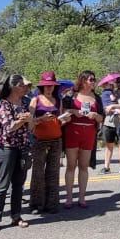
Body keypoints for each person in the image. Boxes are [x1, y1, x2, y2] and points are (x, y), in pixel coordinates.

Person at [0, 74, 32, 232]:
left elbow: (30, 125)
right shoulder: (4, 104)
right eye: (21, 85)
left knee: (18, 185)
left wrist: (31, 120)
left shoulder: (25, 102)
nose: (25, 88)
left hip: (22, 146)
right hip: (5, 147)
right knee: (3, 184)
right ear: (13, 87)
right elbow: (9, 127)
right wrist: (22, 120)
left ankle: (16, 215)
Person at [29, 71, 68, 214]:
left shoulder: (58, 100)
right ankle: (36, 204)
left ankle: (52, 204)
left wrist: (64, 120)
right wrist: (40, 120)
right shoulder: (36, 100)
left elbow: (60, 120)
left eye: (51, 85)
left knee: (53, 172)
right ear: (41, 87)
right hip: (39, 140)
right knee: (38, 173)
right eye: (46, 86)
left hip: (56, 139)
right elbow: (29, 123)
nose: (49, 88)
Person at [62, 71, 101, 208]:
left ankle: (82, 197)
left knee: (84, 166)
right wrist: (74, 112)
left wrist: (96, 115)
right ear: (83, 80)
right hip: (73, 131)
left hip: (89, 133)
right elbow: (62, 112)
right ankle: (68, 198)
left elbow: (102, 118)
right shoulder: (71, 95)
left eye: (94, 79)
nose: (93, 81)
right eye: (91, 79)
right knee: (71, 165)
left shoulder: (97, 97)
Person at [100, 76, 120, 173]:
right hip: (109, 122)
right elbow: (105, 107)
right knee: (108, 144)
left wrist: (114, 106)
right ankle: (106, 166)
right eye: (118, 81)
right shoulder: (108, 93)